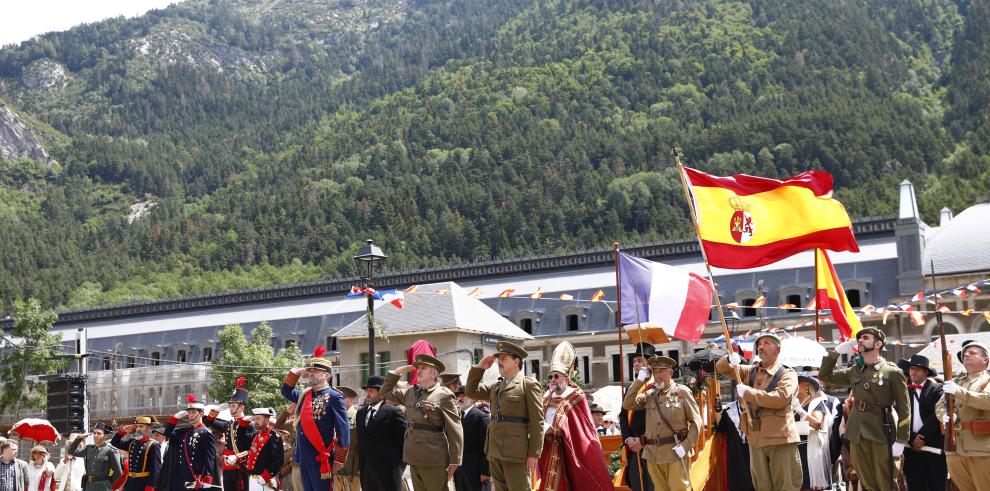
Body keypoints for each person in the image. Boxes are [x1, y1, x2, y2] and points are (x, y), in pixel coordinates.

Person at [819, 327, 910, 491]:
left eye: (866, 337)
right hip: (857, 431)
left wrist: (901, 440)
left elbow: (905, 409)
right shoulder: (855, 371)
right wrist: (836, 351)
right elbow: (825, 377)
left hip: (881, 431)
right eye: (859, 338)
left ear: (878, 344)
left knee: (887, 482)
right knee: (867, 482)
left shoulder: (892, 371)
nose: (860, 340)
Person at [715, 333, 801, 491]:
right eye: (759, 344)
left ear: (778, 349)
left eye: (766, 343)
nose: (761, 347)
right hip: (755, 438)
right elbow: (721, 369)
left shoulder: (787, 374)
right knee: (762, 486)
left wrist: (748, 393)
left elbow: (780, 398)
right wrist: (729, 359)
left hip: (779, 438)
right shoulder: (751, 372)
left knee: (785, 485)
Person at [465, 341, 544, 491]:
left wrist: (534, 454)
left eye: (504, 358)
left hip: (515, 452)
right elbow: (471, 392)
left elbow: (537, 422)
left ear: (516, 361)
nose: (499, 362)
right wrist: (480, 368)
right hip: (494, 451)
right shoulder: (496, 386)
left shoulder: (528, 385)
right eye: (499, 359)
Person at [537, 341, 613, 491]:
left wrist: (558, 430)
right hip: (548, 447)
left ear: (566, 377)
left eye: (556, 376)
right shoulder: (546, 397)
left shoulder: (576, 396)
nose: (552, 380)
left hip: (570, 449)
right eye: (551, 377)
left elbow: (581, 428)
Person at [382, 353, 464, 490]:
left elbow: (455, 428)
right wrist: (397, 372)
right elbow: (385, 392)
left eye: (423, 368)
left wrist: (456, 460)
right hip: (413, 455)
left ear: (433, 374)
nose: (418, 370)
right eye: (418, 367)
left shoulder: (443, 395)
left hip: (433, 457)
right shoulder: (411, 392)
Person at [622, 355, 701, 491]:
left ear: (670, 373)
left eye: (660, 371)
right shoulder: (650, 394)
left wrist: (686, 445)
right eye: (654, 371)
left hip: (674, 452)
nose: (656, 375)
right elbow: (628, 404)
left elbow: (696, 422)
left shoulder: (681, 391)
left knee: (679, 489)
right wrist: (640, 381)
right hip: (653, 454)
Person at [280, 346, 350, 491]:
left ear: (328, 376)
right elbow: (286, 391)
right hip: (303, 457)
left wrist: (339, 459)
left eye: (316, 371)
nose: (311, 374)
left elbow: (343, 429)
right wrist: (298, 372)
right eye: (310, 371)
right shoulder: (305, 394)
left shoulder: (334, 396)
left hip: (321, 458)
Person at [936, 340, 990, 491]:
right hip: (955, 448)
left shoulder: (987, 380)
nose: (966, 354)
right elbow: (940, 405)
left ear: (985, 360)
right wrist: (944, 416)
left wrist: (959, 392)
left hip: (980, 449)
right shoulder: (957, 381)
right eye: (965, 353)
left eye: (972, 353)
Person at [895, 354, 945, 491]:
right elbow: (898, 417)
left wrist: (921, 437)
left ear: (926, 372)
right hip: (911, 448)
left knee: (936, 485)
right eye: (911, 369)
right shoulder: (903, 391)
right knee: (915, 485)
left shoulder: (938, 389)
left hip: (934, 447)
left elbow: (937, 414)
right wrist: (911, 438)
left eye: (917, 369)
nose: (913, 372)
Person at [356, 375, 406, 491]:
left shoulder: (393, 412)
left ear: (381, 393)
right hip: (367, 472)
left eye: (371, 391)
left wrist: (398, 468)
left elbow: (403, 442)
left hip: (388, 472)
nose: (368, 394)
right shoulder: (361, 413)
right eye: (367, 391)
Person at [442, 373, 491, 491]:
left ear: (473, 398)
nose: (460, 398)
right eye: (458, 395)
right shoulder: (458, 416)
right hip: (460, 470)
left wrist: (486, 471)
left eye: (464, 395)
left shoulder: (481, 417)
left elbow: (487, 447)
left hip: (476, 471)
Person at [206, 378, 256, 491]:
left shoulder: (249, 425)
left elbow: (251, 449)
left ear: (242, 407)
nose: (230, 408)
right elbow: (208, 421)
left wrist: (237, 457)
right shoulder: (229, 424)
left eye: (233, 406)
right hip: (228, 466)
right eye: (230, 405)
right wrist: (217, 409)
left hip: (241, 467)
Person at [161, 395, 219, 491]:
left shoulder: (206, 433)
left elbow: (210, 458)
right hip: (179, 478)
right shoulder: (185, 432)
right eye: (189, 412)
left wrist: (207, 478)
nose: (190, 415)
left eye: (193, 412)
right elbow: (167, 432)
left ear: (201, 413)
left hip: (194, 477)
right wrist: (174, 419)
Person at [620, 343, 656, 491]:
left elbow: (656, 419)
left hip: (650, 444)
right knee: (636, 483)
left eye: (640, 361)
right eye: (634, 361)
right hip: (632, 446)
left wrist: (642, 440)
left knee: (651, 484)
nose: (636, 364)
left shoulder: (657, 386)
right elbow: (623, 415)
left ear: (650, 363)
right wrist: (628, 439)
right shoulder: (631, 387)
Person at [792, 375, 832, 491]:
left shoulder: (817, 403)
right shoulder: (792, 405)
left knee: (810, 486)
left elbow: (816, 424)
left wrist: (800, 410)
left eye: (796, 383)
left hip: (810, 452)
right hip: (795, 451)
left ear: (805, 387)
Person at [111, 416, 162, 491]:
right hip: (130, 483)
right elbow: (114, 442)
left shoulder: (153, 445)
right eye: (137, 426)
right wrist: (124, 430)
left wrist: (150, 487)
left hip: (143, 484)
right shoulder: (132, 442)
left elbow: (155, 470)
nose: (138, 429)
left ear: (148, 428)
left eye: (141, 426)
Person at [714, 400, 755, 491]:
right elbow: (721, 428)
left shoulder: (758, 406)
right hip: (736, 460)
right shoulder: (729, 410)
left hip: (754, 457)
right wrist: (717, 412)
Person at [70, 423, 124, 491]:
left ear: (105, 436)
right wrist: (79, 438)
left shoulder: (111, 451)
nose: (95, 435)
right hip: (88, 486)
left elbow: (118, 472)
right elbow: (72, 452)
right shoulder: (89, 448)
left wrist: (107, 483)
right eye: (94, 433)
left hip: (103, 487)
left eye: (99, 433)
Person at [244, 408, 283, 491]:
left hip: (266, 480)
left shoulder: (274, 437)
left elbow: (278, 461)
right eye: (254, 419)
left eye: (258, 418)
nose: (255, 421)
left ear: (267, 419)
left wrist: (265, 476)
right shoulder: (257, 435)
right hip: (253, 478)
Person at [332, 386, 360, 491]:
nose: (338, 401)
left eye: (342, 398)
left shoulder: (357, 416)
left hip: (352, 467)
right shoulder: (333, 416)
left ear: (351, 400)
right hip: (335, 467)